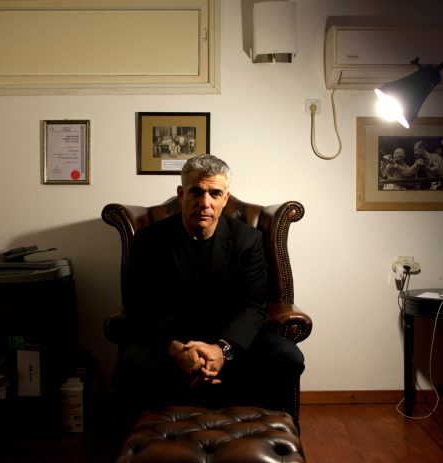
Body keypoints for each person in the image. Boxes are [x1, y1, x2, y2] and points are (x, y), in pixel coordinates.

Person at [111, 154, 305, 420]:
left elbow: (253, 306)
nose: (205, 203)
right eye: (196, 192)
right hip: (171, 343)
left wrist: (222, 350)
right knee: (131, 364)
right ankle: (200, 401)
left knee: (287, 356)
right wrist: (176, 349)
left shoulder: (248, 240)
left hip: (230, 340)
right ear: (182, 194)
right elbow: (140, 305)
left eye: (215, 193)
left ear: (225, 198)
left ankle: (220, 402)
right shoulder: (149, 241)